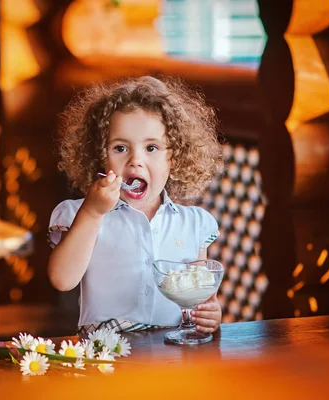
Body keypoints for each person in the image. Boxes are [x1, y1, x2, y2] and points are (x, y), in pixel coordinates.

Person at [47, 76, 224, 336]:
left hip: (173, 357)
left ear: (173, 158)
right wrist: (93, 212)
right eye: (120, 148)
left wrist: (210, 315)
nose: (136, 161)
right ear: (100, 156)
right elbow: (62, 280)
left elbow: (200, 298)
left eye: (151, 147)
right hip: (106, 356)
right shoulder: (78, 215)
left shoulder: (194, 224)